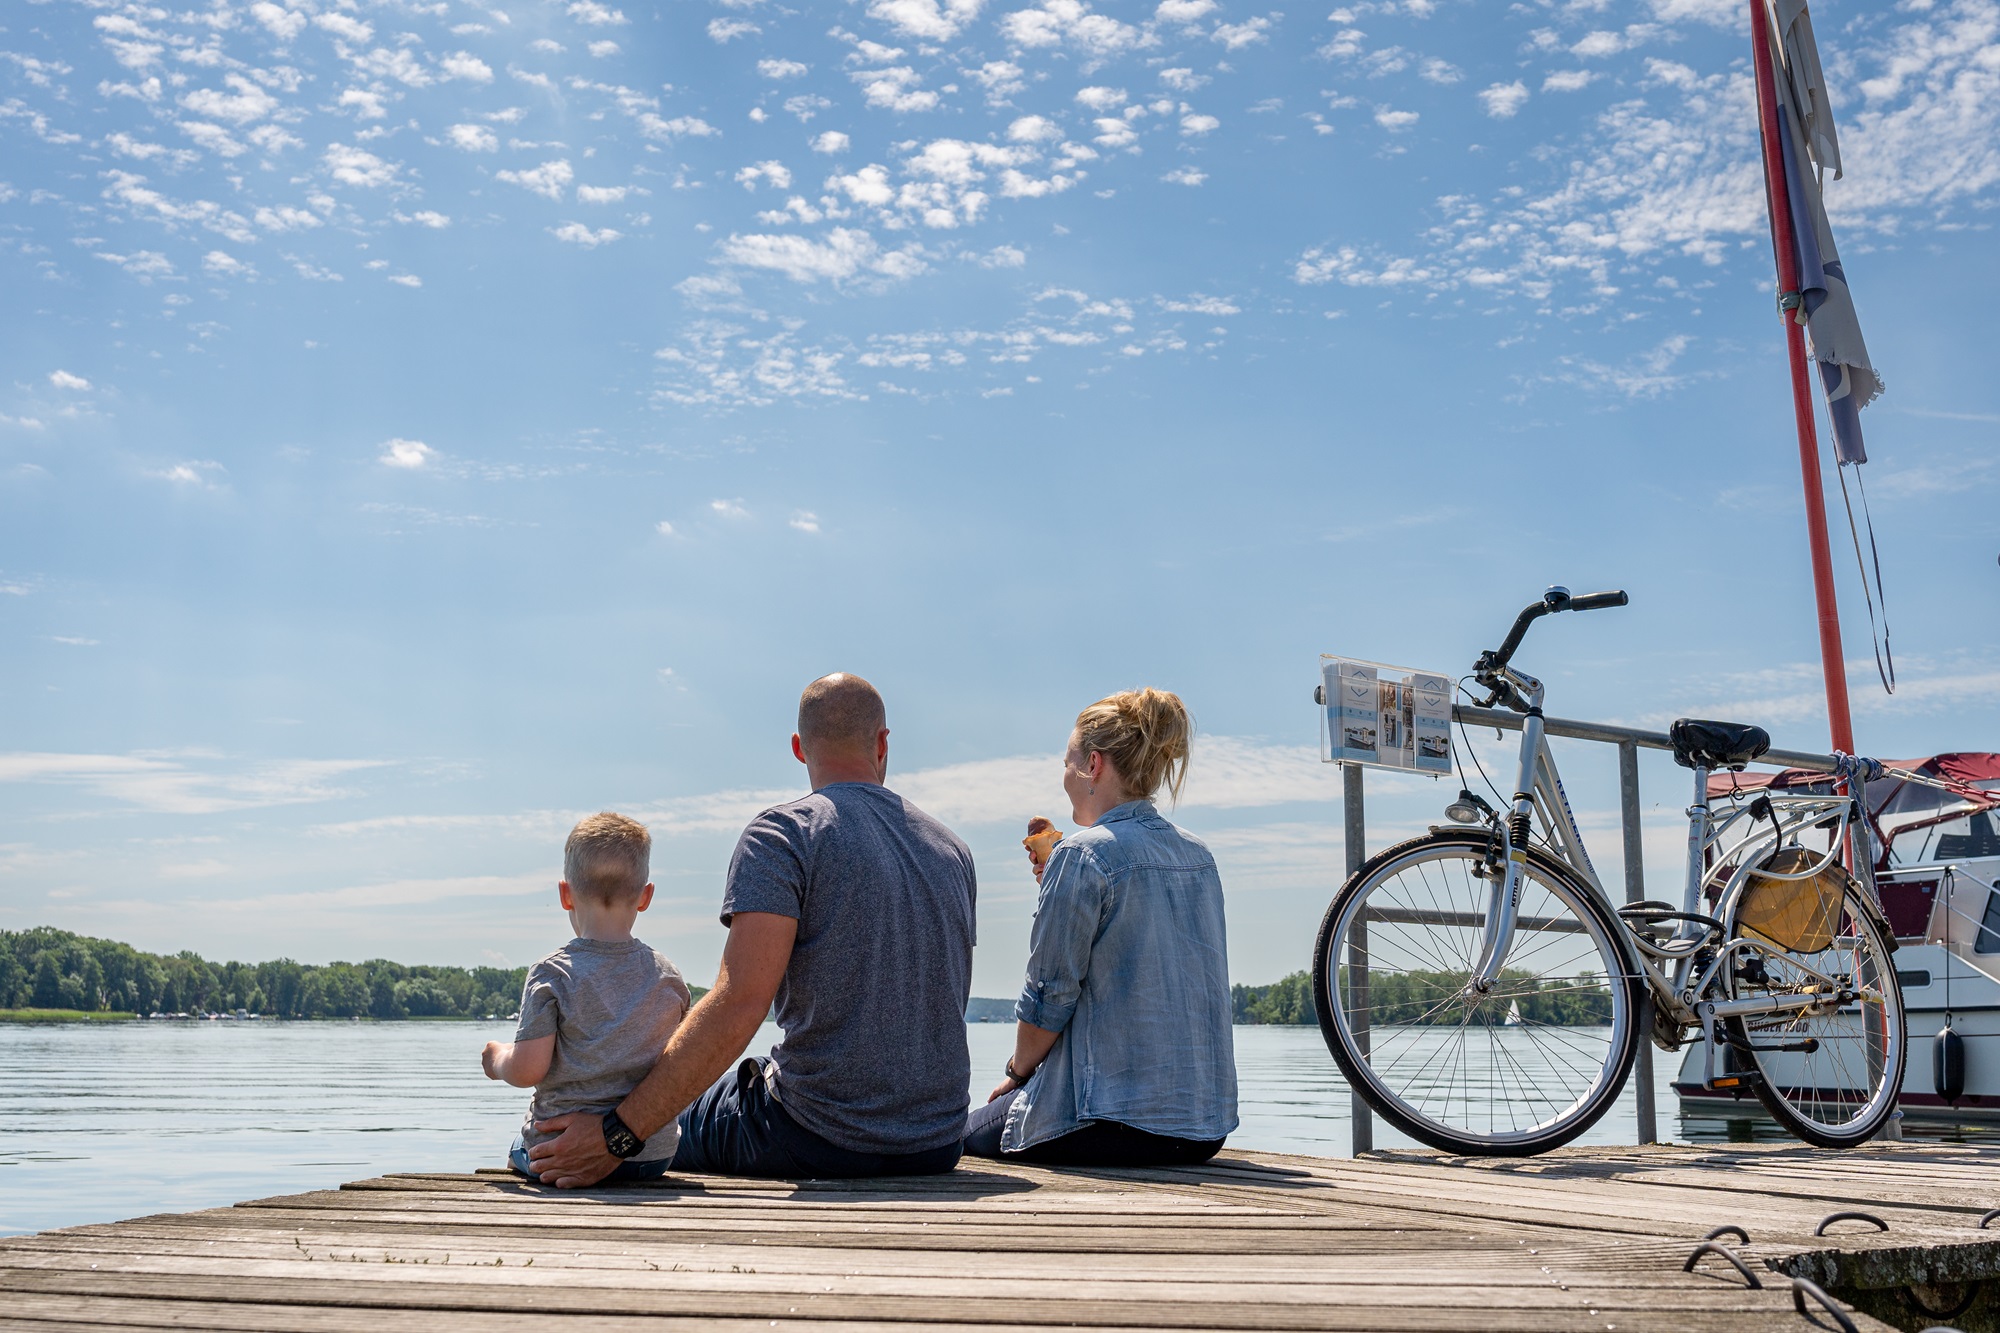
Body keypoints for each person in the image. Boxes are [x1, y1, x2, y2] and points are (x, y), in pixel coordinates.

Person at [525, 672, 977, 1184]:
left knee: (661, 1132)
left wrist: (617, 1135)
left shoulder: (784, 835)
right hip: (936, 1143)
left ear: (798, 749)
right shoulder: (953, 850)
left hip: (813, 1136)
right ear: (881, 743)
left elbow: (741, 1002)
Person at [964, 687, 1237, 1166]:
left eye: (1067, 762)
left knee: (955, 1136)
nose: (1064, 776)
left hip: (1108, 1121)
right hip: (1202, 1130)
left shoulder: (1083, 855)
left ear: (1093, 765)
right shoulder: (1199, 857)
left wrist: (1016, 1072)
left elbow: (1048, 994)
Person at [482, 812, 693, 1183]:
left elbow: (528, 1069)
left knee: (518, 1148)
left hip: (559, 1147)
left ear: (565, 894)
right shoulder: (668, 977)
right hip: (653, 1156)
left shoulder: (552, 974)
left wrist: (497, 1059)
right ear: (646, 896)